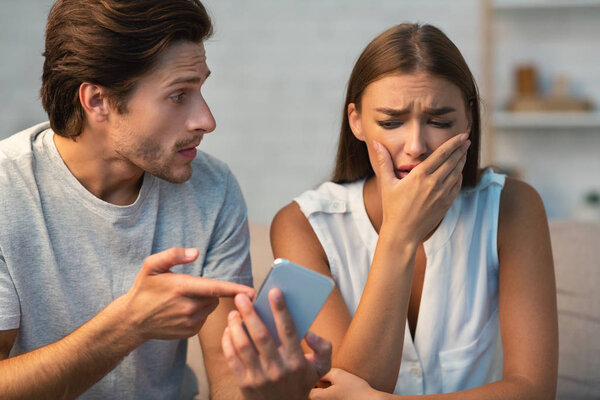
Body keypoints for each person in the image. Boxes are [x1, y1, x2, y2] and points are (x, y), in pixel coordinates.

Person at [0, 1, 329, 399]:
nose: (206, 120)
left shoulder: (213, 188)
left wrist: (278, 389)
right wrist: (128, 325)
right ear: (97, 101)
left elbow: (229, 383)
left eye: (200, 89)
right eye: (178, 96)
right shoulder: (8, 191)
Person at [271, 23, 558, 399]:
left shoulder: (513, 207)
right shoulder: (302, 226)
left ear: (468, 119)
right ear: (356, 121)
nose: (417, 147)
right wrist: (400, 234)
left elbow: (533, 390)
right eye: (390, 122)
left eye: (439, 122)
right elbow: (338, 390)